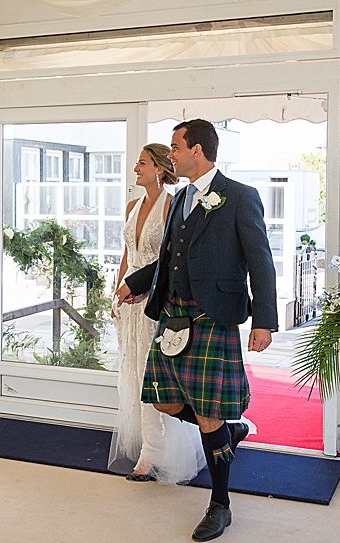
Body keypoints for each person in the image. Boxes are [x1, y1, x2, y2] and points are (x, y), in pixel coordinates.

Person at [116, 119, 277, 542]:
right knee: (164, 401)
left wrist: (264, 320)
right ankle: (229, 432)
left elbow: (261, 262)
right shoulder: (182, 197)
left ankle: (220, 505)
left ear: (198, 150)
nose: (171, 154)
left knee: (207, 414)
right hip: (173, 315)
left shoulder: (240, 197)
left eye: (176, 146)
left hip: (213, 317)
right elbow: (168, 259)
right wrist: (136, 284)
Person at [108, 143, 206, 485]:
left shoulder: (171, 206)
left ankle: (153, 453)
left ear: (160, 169)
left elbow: (167, 261)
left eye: (142, 162)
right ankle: (149, 445)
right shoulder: (132, 207)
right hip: (130, 300)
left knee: (156, 377)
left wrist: (143, 289)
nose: (136, 167)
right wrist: (118, 289)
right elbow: (128, 254)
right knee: (134, 372)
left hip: (153, 300)